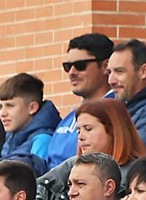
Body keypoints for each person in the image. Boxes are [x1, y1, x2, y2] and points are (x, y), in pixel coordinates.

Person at [45, 33, 115, 169]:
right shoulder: (69, 117)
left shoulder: (114, 112)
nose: (72, 72)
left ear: (106, 66)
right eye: (67, 66)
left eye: (80, 65)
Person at [0, 74, 58, 178]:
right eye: (0, 107)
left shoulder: (42, 140)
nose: (2, 113)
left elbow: (38, 180)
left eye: (10, 106)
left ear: (32, 108)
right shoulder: (11, 136)